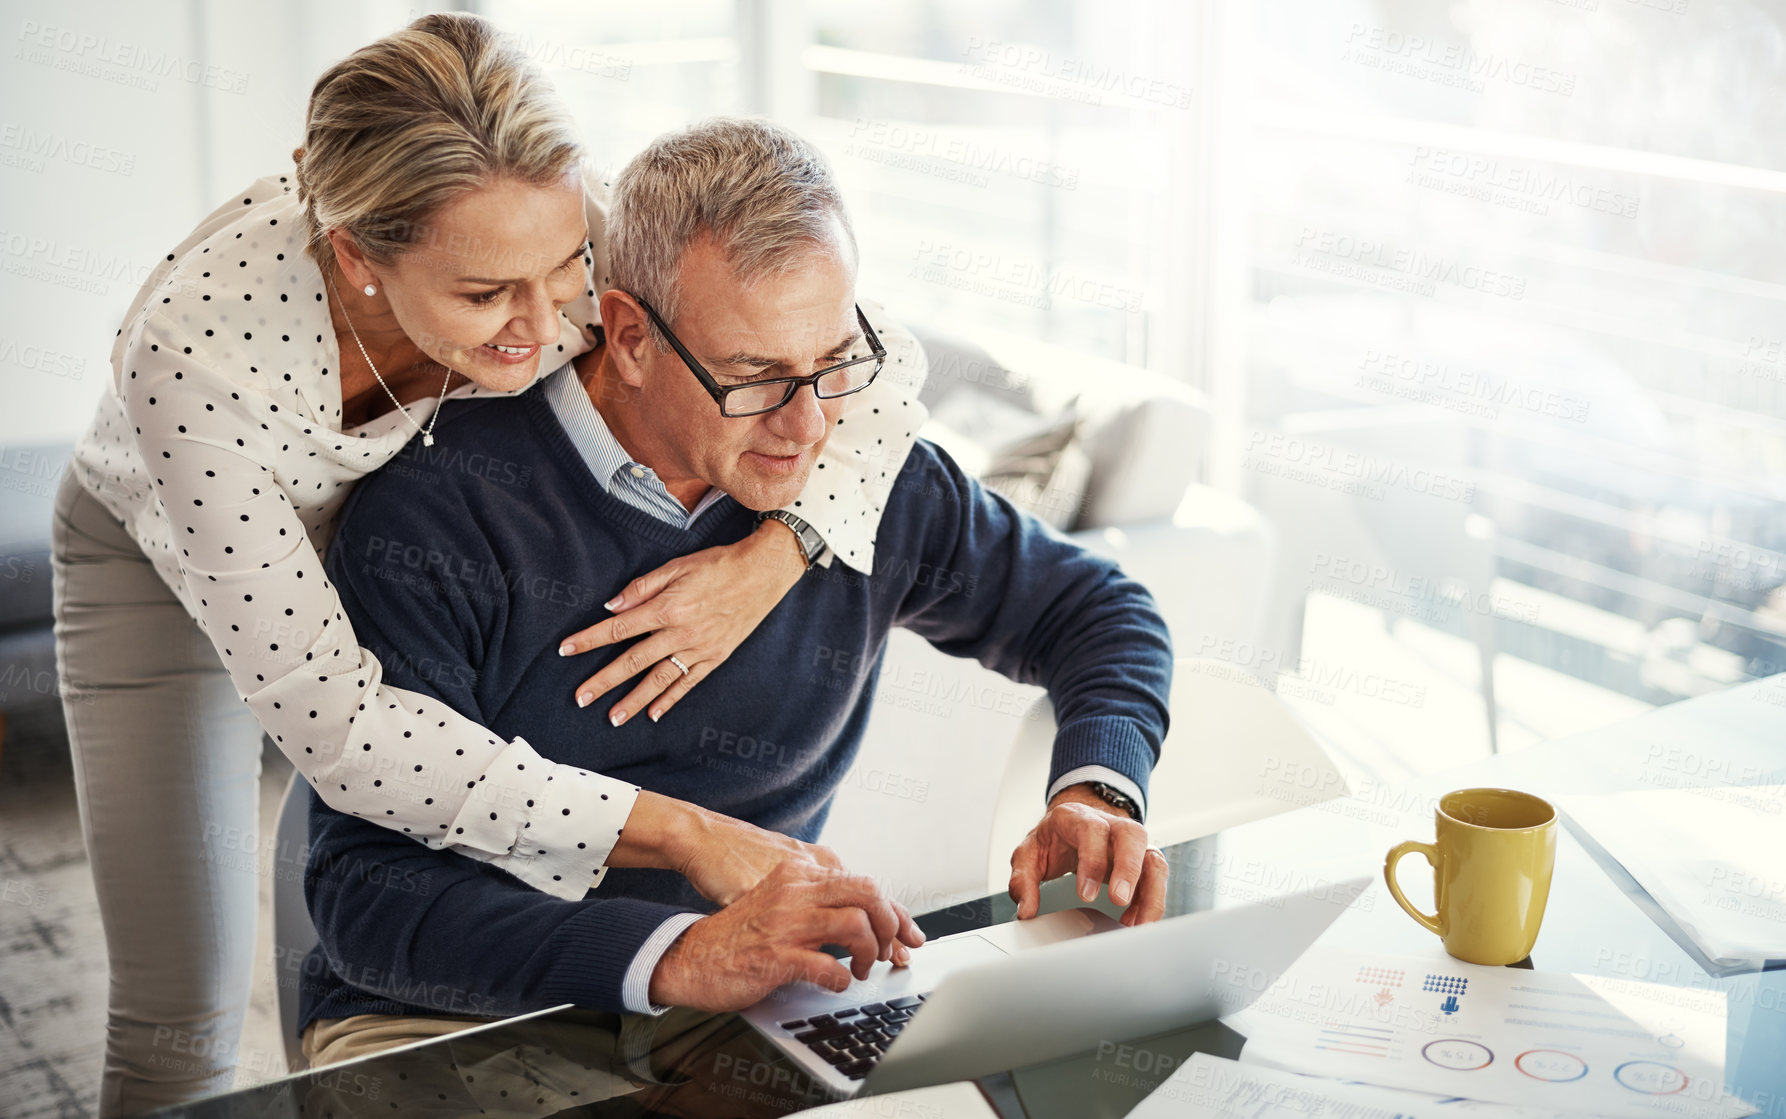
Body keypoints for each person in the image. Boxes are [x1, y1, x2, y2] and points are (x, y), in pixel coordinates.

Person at [50, 14, 928, 1114]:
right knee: (180, 1004)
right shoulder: (192, 355)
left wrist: (774, 557)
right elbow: (344, 735)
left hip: (386, 552)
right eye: (484, 295)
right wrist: (679, 831)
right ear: (361, 258)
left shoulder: (570, 224)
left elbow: (888, 369)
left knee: (354, 875)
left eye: (563, 270)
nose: (543, 324)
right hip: (164, 557)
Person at [296, 117, 1174, 1065]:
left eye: (835, 362)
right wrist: (674, 955)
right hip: (457, 1021)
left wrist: (1096, 793)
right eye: (755, 378)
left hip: (744, 1016)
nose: (807, 426)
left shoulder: (872, 482)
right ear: (629, 336)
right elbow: (365, 899)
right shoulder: (439, 514)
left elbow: (1098, 613)